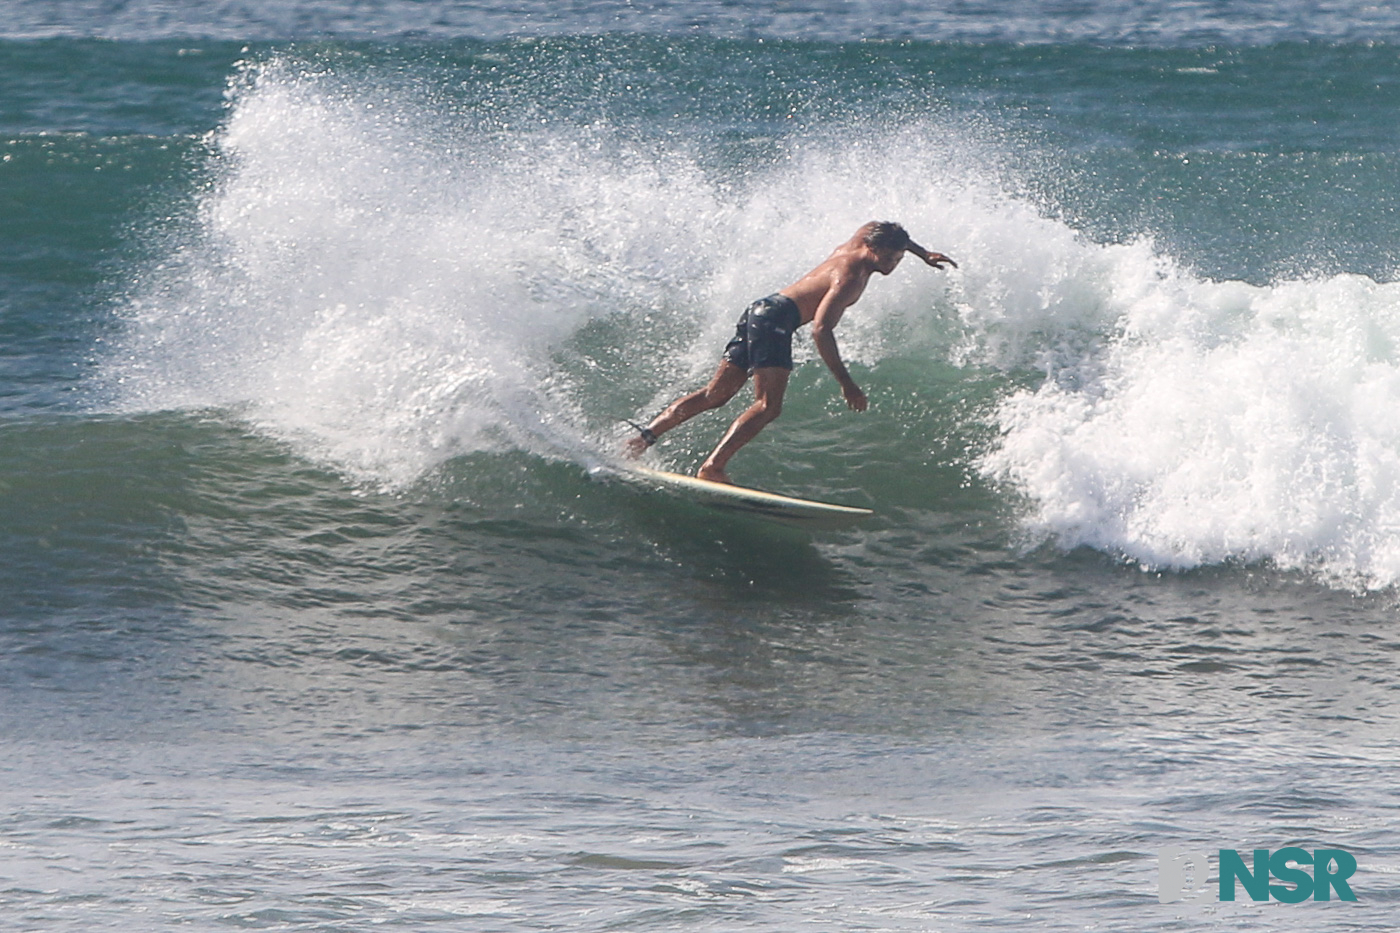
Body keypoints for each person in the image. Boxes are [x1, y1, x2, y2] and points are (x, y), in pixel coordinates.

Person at [624, 221, 956, 484]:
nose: (892, 264)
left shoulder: (860, 239)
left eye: (897, 258)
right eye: (887, 257)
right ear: (870, 247)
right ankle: (713, 467)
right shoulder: (850, 278)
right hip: (778, 321)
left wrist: (922, 252)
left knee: (716, 394)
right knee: (768, 406)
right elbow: (821, 330)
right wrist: (846, 382)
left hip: (760, 309)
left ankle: (640, 441)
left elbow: (885, 230)